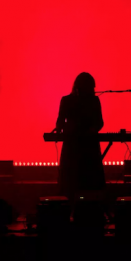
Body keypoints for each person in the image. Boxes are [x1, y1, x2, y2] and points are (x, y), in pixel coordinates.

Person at [54, 72, 105, 200]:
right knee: (73, 181)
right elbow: (60, 121)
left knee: (87, 181)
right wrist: (62, 129)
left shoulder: (93, 101)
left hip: (86, 145)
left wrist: (92, 130)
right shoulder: (67, 100)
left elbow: (99, 122)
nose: (92, 91)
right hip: (76, 146)